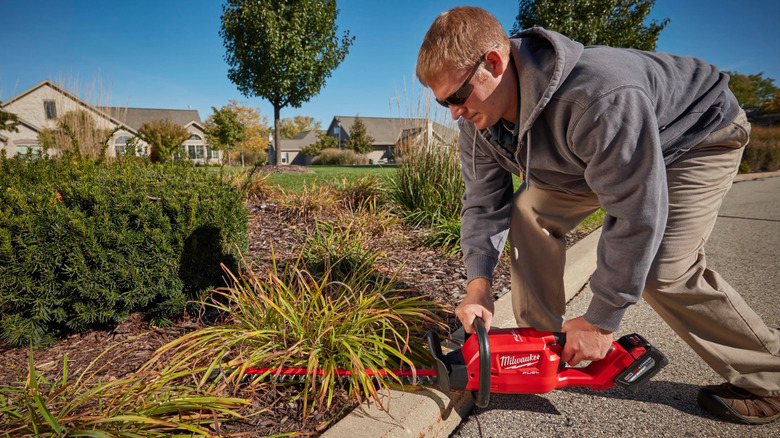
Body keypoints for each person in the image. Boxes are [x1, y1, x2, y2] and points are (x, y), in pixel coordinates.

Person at [416, 6, 779, 425]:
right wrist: (477, 287)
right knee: (528, 213)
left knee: (662, 268)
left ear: (494, 63)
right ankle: (541, 349)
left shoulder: (598, 94)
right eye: (444, 102)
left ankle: (767, 376)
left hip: (693, 136)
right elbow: (483, 202)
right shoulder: (478, 121)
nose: (453, 113)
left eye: (457, 98)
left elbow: (636, 209)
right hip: (595, 155)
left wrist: (602, 321)